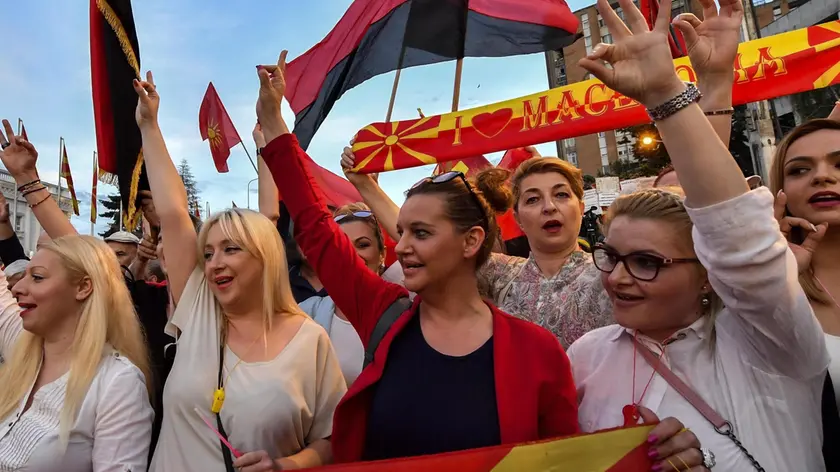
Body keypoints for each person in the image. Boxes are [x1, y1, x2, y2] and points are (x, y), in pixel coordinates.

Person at [255, 49, 702, 466]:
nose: (402, 245)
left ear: (472, 241)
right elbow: (316, 230)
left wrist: (637, 453)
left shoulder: (539, 352)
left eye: (422, 233)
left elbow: (566, 464)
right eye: (403, 231)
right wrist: (275, 128)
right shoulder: (383, 315)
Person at [567, 0, 828, 470]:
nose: (618, 279)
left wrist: (668, 93)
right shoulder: (586, 356)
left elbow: (737, 239)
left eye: (647, 262)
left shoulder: (767, 340)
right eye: (610, 255)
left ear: (710, 273)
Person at [133, 72, 346, 472]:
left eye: (231, 249)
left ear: (265, 257)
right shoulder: (198, 309)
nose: (214, 263)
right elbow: (175, 215)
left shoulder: (311, 341)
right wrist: (150, 125)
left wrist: (287, 465)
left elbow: (332, 440)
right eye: (209, 253)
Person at [0, 119, 154, 471]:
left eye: (37, 277)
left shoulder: (116, 383)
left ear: (84, 287)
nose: (19, 285)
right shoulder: (21, 343)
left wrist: (29, 183)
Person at [769, 118, 840, 468]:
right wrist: (777, 277)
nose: (822, 176)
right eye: (799, 170)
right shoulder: (769, 292)